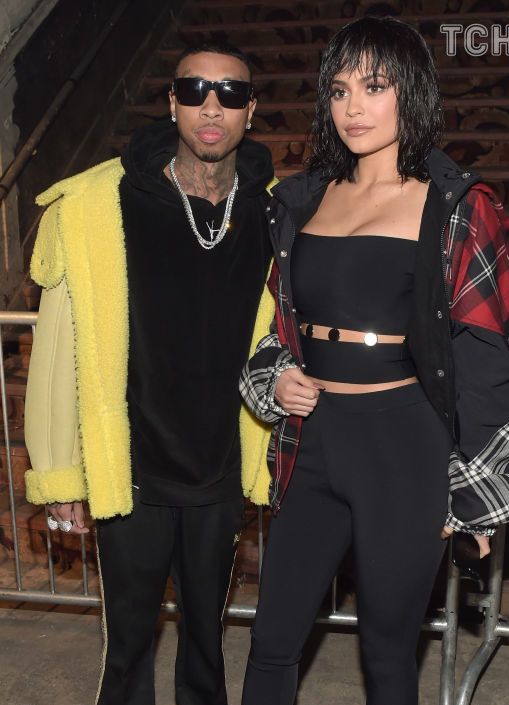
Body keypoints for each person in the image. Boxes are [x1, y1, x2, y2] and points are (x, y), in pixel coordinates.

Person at [238, 15, 509, 705]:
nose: (354, 107)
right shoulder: (304, 200)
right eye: (340, 89)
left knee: (387, 654)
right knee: (271, 639)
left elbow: (488, 353)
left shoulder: (453, 206)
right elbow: (280, 324)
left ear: (411, 91)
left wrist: (477, 496)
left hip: (404, 448)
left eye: (374, 87)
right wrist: (277, 377)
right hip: (313, 442)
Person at [24, 41, 277, 705]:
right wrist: (60, 472)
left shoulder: (275, 209)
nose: (211, 107)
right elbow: (56, 351)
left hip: (220, 469)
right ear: (171, 103)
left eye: (229, 92)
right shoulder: (98, 205)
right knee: (129, 649)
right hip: (131, 470)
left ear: (251, 110)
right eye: (194, 90)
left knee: (206, 645)